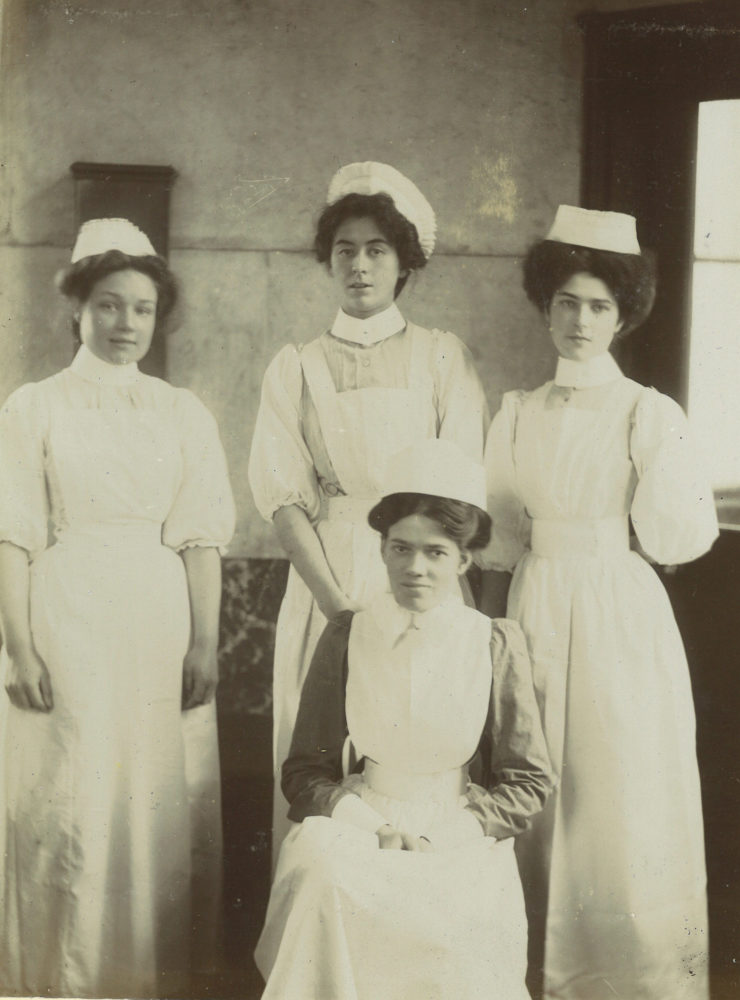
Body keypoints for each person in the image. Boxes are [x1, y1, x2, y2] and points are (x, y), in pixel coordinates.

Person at [479, 205, 718, 999]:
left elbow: (677, 532)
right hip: (536, 601)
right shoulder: (514, 413)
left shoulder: (648, 413)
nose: (581, 321)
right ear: (545, 306)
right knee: (537, 770)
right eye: (567, 303)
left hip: (617, 610)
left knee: (616, 785)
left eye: (599, 306)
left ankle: (624, 978)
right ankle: (532, 972)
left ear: (623, 315)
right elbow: (501, 532)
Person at [0, 218, 236, 998]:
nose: (125, 323)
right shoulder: (33, 408)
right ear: (77, 307)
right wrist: (21, 650)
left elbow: (202, 538)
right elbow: (11, 537)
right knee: (68, 792)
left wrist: (206, 646)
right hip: (65, 617)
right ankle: (58, 978)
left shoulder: (181, 412)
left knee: (149, 795)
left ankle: (143, 976)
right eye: (108, 305)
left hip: (156, 619)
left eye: (140, 308)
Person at [248, 162, 489, 862]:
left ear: (404, 261)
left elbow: (461, 491)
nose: (359, 265)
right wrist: (338, 611)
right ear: (329, 258)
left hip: (424, 569)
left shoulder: (442, 357)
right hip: (329, 577)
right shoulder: (296, 365)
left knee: (420, 740)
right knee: (324, 747)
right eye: (346, 249)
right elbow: (283, 497)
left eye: (377, 249)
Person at [254, 438, 554, 999]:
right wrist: (374, 828)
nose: (415, 568)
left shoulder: (491, 642)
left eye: (436, 552)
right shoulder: (348, 633)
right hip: (362, 821)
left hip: (460, 827)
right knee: (326, 878)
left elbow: (529, 780)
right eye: (400, 549)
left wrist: (450, 833)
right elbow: (303, 773)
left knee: (451, 923)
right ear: (383, 550)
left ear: (464, 560)